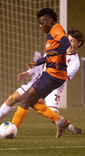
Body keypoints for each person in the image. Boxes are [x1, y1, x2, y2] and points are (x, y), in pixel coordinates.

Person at [0, 28, 84, 139]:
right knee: (12, 99)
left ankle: (66, 125)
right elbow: (41, 62)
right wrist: (28, 73)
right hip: (39, 80)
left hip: (54, 87)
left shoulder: (75, 63)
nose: (69, 43)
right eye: (68, 39)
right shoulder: (55, 49)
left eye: (73, 41)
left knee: (50, 115)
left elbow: (60, 77)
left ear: (79, 43)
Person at [11, 7, 70, 138]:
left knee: (25, 98)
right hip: (52, 73)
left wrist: (58, 51)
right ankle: (60, 121)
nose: (40, 26)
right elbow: (52, 55)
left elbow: (66, 43)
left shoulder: (56, 29)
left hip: (53, 74)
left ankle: (11, 131)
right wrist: (38, 62)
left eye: (41, 23)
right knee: (31, 100)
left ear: (49, 20)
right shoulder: (51, 36)